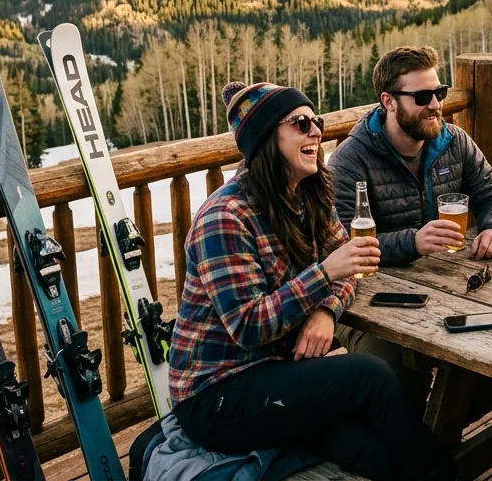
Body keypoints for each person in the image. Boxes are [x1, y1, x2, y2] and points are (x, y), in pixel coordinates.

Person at [169, 81, 456, 481]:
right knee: (370, 376)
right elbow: (249, 326)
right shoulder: (225, 217)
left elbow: (350, 266)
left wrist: (325, 309)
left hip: (279, 374)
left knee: (371, 451)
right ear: (268, 139)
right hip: (218, 394)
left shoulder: (308, 193)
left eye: (316, 122)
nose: (316, 132)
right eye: (301, 123)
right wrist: (324, 273)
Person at [329, 46, 492, 413]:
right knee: (393, 377)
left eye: (439, 92)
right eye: (422, 96)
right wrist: (412, 241)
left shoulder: (453, 141)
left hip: (445, 286)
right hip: (365, 300)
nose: (435, 104)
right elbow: (338, 248)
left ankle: (442, 429)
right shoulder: (351, 160)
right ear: (389, 101)